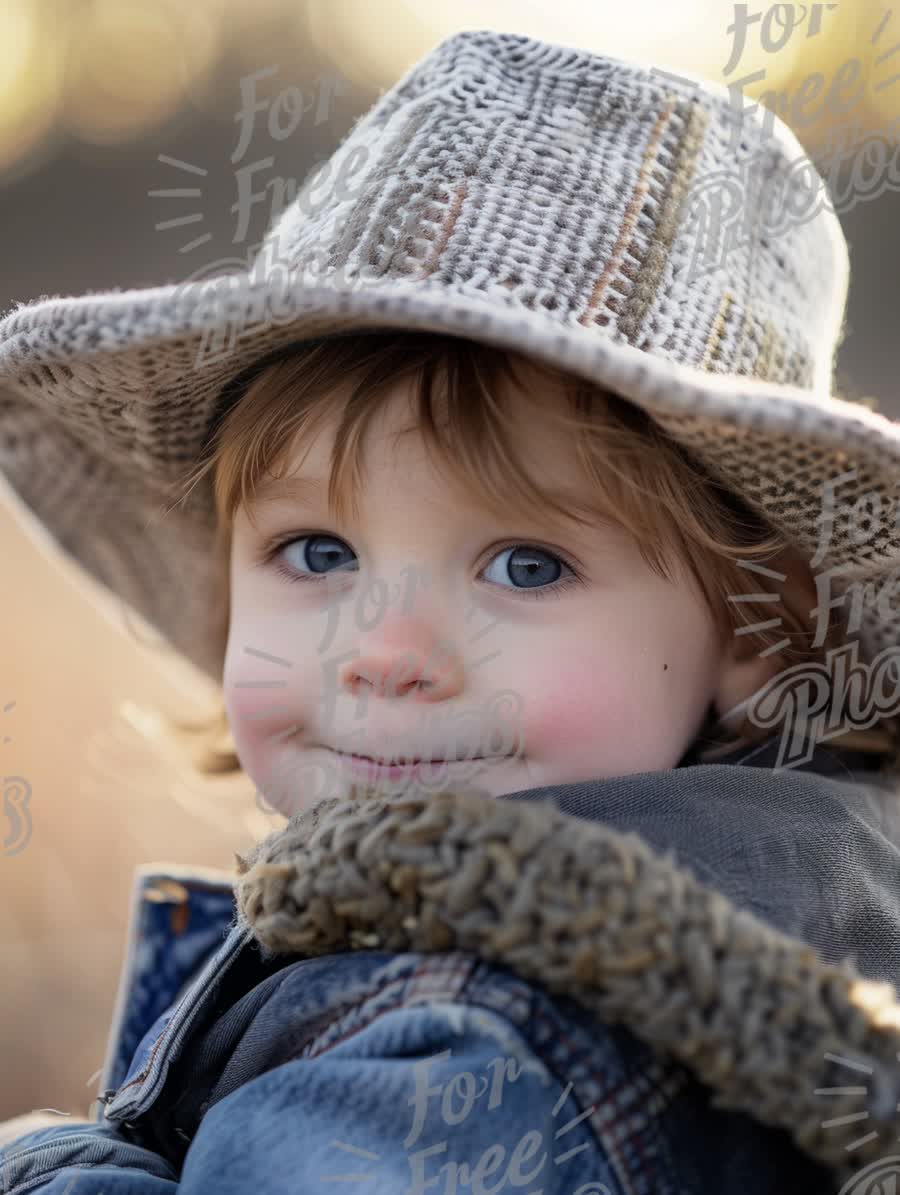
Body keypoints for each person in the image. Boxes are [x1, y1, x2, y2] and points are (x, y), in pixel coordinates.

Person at [2, 26, 900, 1194]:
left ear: (761, 637)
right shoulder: (804, 925)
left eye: (525, 566)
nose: (384, 653)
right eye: (315, 550)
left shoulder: (480, 1041)